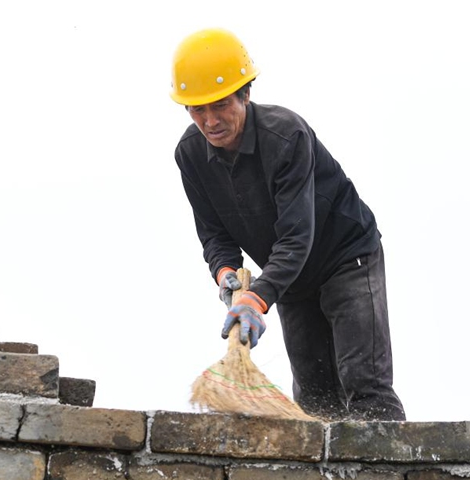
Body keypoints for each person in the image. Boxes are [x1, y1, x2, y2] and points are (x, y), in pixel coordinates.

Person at [170, 28, 405, 421]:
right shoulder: (190, 155)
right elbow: (214, 234)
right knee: (315, 397)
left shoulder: (286, 136)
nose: (209, 121)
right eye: (197, 110)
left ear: (245, 94)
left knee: (365, 388)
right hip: (290, 276)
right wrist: (225, 272)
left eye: (220, 105)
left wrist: (258, 298)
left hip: (346, 257)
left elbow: (297, 236)